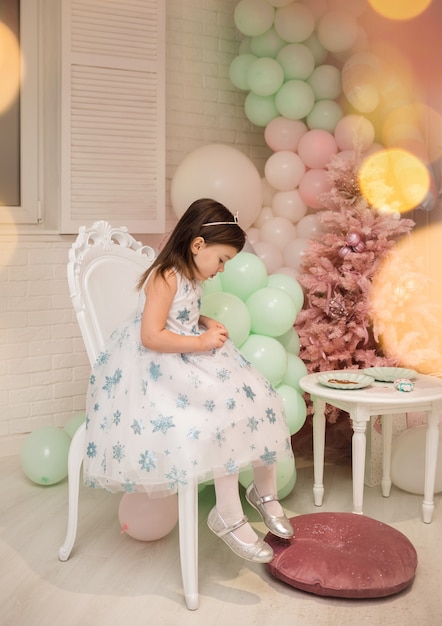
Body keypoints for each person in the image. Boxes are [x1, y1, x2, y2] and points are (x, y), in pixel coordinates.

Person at [84, 198, 294, 563]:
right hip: (160, 367)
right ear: (198, 245)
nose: (222, 269)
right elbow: (151, 335)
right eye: (222, 260)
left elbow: (180, 316)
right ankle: (227, 513)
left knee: (261, 398)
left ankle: (264, 492)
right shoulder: (165, 276)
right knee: (223, 415)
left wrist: (204, 322)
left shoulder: (192, 277)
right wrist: (198, 342)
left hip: (188, 354)